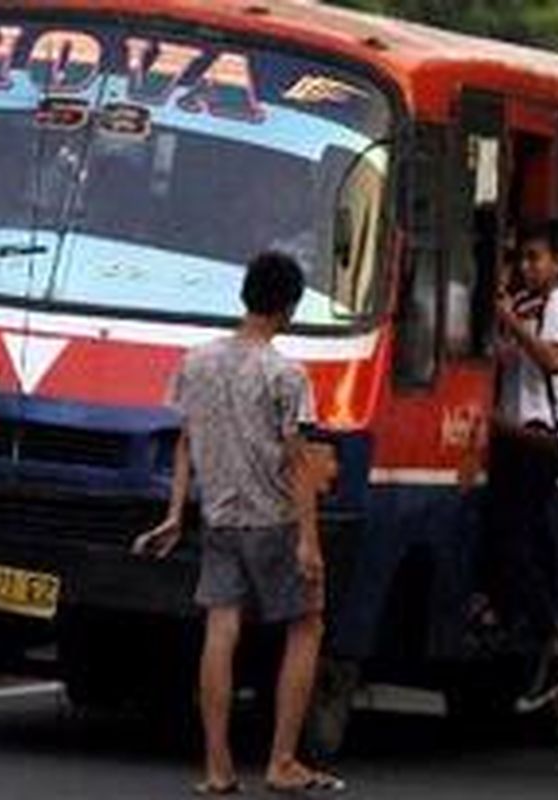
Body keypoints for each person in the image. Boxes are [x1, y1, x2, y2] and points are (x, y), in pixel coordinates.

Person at [131, 252, 344, 795]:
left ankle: (217, 767)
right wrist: (309, 541)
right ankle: (282, 760)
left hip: (219, 518)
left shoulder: (196, 362)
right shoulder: (287, 374)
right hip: (274, 519)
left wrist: (175, 514)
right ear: (289, 307)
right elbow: (297, 462)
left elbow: (185, 443)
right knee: (307, 625)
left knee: (220, 630)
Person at [483, 219, 558, 713]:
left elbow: (555, 361)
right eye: (521, 258)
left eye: (535, 258)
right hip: (506, 433)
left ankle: (552, 632)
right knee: (508, 535)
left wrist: (512, 322)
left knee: (515, 537)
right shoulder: (522, 303)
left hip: (535, 437)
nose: (527, 267)